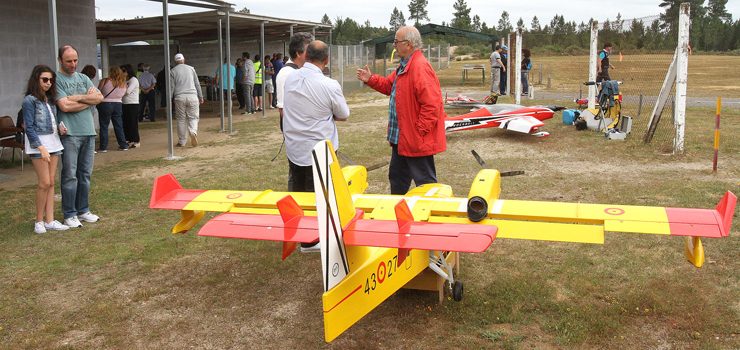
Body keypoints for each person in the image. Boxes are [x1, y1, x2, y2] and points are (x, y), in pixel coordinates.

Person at [356, 26, 446, 195]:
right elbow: (389, 86)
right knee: (397, 178)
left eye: (397, 42)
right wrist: (371, 79)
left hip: (415, 139)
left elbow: (432, 105)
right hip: (401, 139)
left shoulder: (419, 67)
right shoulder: (405, 66)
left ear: (409, 44)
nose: (394, 45)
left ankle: (429, 217)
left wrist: (419, 131)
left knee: (426, 184)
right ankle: (397, 212)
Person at [283, 40, 350, 193]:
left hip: (295, 149)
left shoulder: (290, 79)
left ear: (306, 55)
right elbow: (344, 114)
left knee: (299, 196)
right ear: (326, 60)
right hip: (321, 153)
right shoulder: (330, 84)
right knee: (322, 201)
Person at [55, 44, 103, 228]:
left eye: (75, 60)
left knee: (85, 174)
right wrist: (87, 100)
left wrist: (75, 97)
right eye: (69, 61)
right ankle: (69, 213)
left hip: (89, 132)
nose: (73, 64)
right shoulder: (57, 79)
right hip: (70, 134)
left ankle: (83, 210)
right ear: (60, 60)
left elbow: (99, 98)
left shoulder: (83, 78)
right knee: (69, 175)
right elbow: (64, 106)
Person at [22, 65, 69, 233]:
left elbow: (51, 123)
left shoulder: (49, 100)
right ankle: (39, 221)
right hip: (39, 146)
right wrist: (40, 147)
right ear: (36, 79)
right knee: (44, 183)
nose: (48, 83)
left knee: (50, 183)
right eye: (45, 79)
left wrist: (60, 129)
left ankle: (50, 220)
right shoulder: (29, 100)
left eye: (51, 80)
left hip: (54, 142)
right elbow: (29, 127)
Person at [276, 32, 313, 129]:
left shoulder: (303, 70)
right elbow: (282, 109)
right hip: (298, 131)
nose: (312, 54)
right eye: (308, 51)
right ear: (298, 53)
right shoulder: (286, 74)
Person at [170, 53, 204, 147]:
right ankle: (193, 132)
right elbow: (197, 83)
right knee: (193, 117)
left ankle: (182, 141)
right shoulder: (191, 69)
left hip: (179, 97)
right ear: (184, 60)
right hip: (192, 96)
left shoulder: (172, 71)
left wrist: (169, 99)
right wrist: (201, 96)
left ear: (175, 62)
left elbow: (171, 87)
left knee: (181, 119)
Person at [96, 66, 129, 152]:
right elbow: (124, 93)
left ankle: (103, 147)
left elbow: (98, 91)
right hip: (118, 104)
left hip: (105, 104)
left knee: (104, 126)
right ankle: (123, 145)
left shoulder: (105, 80)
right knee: (118, 125)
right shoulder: (123, 83)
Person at [120, 64, 140, 148]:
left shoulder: (133, 80)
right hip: (124, 103)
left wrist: (119, 93)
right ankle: (128, 139)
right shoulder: (125, 80)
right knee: (126, 123)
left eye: (123, 71)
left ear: (128, 71)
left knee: (132, 123)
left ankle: (136, 141)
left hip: (132, 104)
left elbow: (127, 92)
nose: (122, 73)